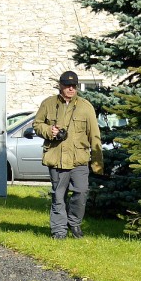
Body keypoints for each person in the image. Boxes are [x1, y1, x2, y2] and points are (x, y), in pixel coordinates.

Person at [33, 70, 103, 239]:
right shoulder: (48, 104)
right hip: (56, 159)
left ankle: (74, 223)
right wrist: (49, 130)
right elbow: (37, 124)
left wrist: (97, 164)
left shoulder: (85, 107)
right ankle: (59, 231)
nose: (71, 89)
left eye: (74, 86)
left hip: (79, 160)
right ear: (60, 86)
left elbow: (94, 135)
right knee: (58, 196)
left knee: (81, 192)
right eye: (67, 85)